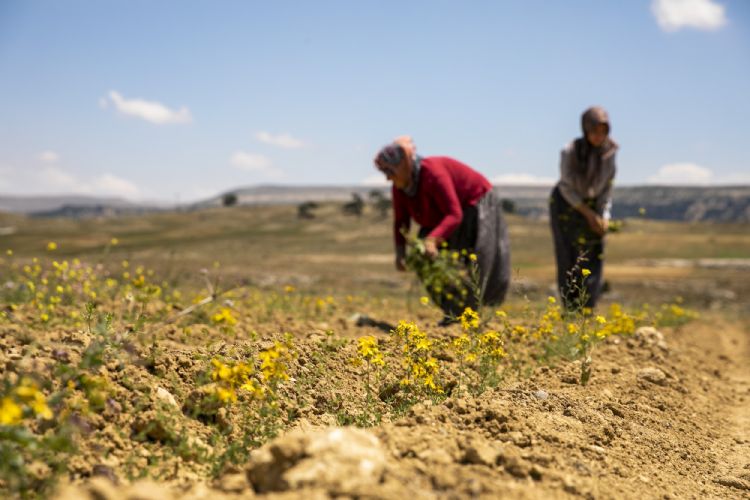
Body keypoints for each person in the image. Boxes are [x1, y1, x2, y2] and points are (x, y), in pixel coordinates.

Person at [373, 136, 510, 322]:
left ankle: (471, 316)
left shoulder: (433, 173)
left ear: (404, 164)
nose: (388, 178)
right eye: (385, 173)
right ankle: (453, 314)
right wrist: (400, 252)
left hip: (473, 205)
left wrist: (432, 240)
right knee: (426, 261)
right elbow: (400, 223)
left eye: (390, 171)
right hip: (442, 219)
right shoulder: (400, 187)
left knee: (474, 262)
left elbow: (454, 214)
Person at [550, 106, 618, 311]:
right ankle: (570, 310)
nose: (599, 136)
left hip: (594, 205)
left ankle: (587, 309)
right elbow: (566, 186)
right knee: (568, 255)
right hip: (567, 204)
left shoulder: (610, 152)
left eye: (603, 131)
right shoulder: (569, 151)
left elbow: (607, 187)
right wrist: (588, 214)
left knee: (594, 253)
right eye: (594, 131)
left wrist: (603, 216)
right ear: (585, 129)